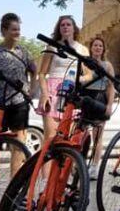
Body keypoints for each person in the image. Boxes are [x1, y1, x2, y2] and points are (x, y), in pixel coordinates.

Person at [0, 12, 36, 173]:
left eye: (18, 29)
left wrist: (32, 88)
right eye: (13, 29)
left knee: (18, 142)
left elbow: (34, 70)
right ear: (4, 31)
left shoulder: (24, 52)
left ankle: (14, 179)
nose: (17, 32)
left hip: (19, 102)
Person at [36, 15, 89, 167]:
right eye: (62, 25)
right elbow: (41, 73)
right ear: (59, 29)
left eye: (68, 24)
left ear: (74, 28)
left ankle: (59, 183)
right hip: (53, 90)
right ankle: (45, 182)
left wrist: (77, 81)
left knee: (67, 140)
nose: (65, 27)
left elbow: (89, 74)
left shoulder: (82, 49)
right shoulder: (52, 46)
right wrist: (45, 94)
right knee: (50, 139)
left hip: (71, 93)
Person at [81, 36, 115, 179]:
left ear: (103, 49)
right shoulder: (84, 63)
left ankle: (94, 166)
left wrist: (109, 105)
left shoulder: (107, 65)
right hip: (85, 97)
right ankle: (79, 163)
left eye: (100, 46)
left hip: (100, 98)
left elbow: (111, 86)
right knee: (81, 133)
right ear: (91, 47)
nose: (98, 48)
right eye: (95, 45)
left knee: (98, 136)